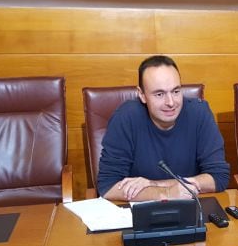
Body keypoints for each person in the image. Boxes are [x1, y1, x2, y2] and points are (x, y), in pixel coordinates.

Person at [98, 55, 230, 201]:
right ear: (142, 95)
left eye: (176, 91)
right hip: (140, 213)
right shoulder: (126, 117)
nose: (171, 102)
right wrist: (165, 194)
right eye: (159, 94)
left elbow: (218, 177)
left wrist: (154, 185)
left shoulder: (199, 113)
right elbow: (108, 186)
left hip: (191, 208)